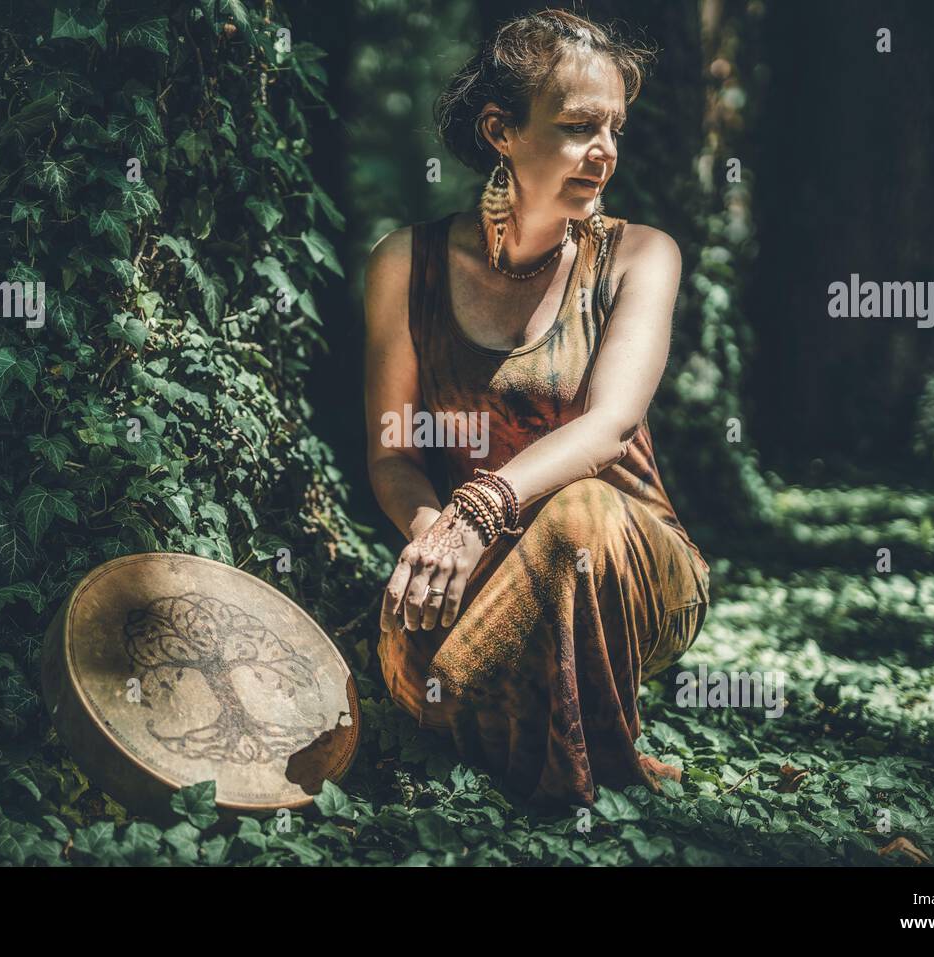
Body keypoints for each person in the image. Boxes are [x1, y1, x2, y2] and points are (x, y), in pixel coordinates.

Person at [362, 9, 710, 808]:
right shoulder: (403, 265)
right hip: (478, 567)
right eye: (580, 125)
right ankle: (507, 716)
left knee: (578, 517)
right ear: (501, 131)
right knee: (415, 662)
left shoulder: (640, 255)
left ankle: (561, 773)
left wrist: (483, 506)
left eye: (615, 127)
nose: (607, 151)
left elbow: (609, 424)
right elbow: (393, 451)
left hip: (628, 564)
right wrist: (437, 541)